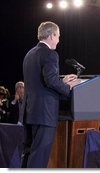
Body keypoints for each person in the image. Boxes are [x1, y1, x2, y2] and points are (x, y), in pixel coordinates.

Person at [20, 21, 77, 168]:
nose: (58, 40)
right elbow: (50, 81)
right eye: (58, 36)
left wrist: (61, 80)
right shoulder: (50, 54)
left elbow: (41, 81)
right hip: (44, 114)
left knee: (29, 153)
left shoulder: (30, 53)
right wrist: (67, 87)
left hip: (30, 111)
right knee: (39, 156)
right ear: (51, 35)